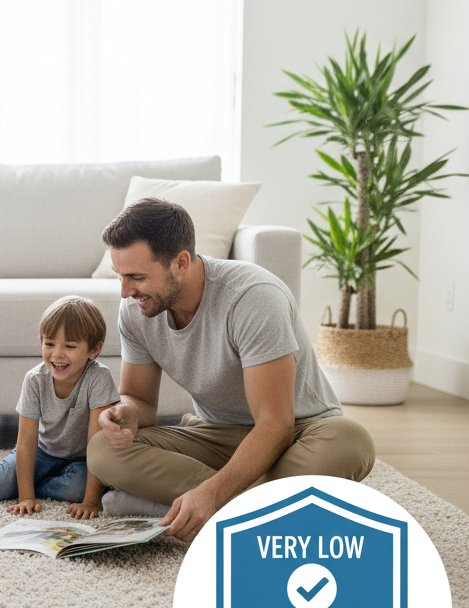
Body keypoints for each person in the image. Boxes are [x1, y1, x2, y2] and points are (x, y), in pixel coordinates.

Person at [85, 197, 376, 543]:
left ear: (180, 263)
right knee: (103, 449)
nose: (125, 291)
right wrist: (125, 414)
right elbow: (140, 400)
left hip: (297, 432)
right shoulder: (136, 310)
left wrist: (212, 492)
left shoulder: (253, 297)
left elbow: (275, 425)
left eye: (135, 277)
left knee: (351, 441)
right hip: (214, 433)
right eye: (120, 276)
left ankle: (176, 504)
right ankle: (268, 510)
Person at [0, 296, 119, 520]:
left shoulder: (99, 378)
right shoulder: (35, 379)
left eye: (70, 346)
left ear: (93, 350)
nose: (57, 354)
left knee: (77, 489)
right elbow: (26, 441)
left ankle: (36, 483)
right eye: (49, 343)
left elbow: (98, 444)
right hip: (42, 452)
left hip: (82, 460)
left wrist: (90, 501)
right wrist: (26, 497)